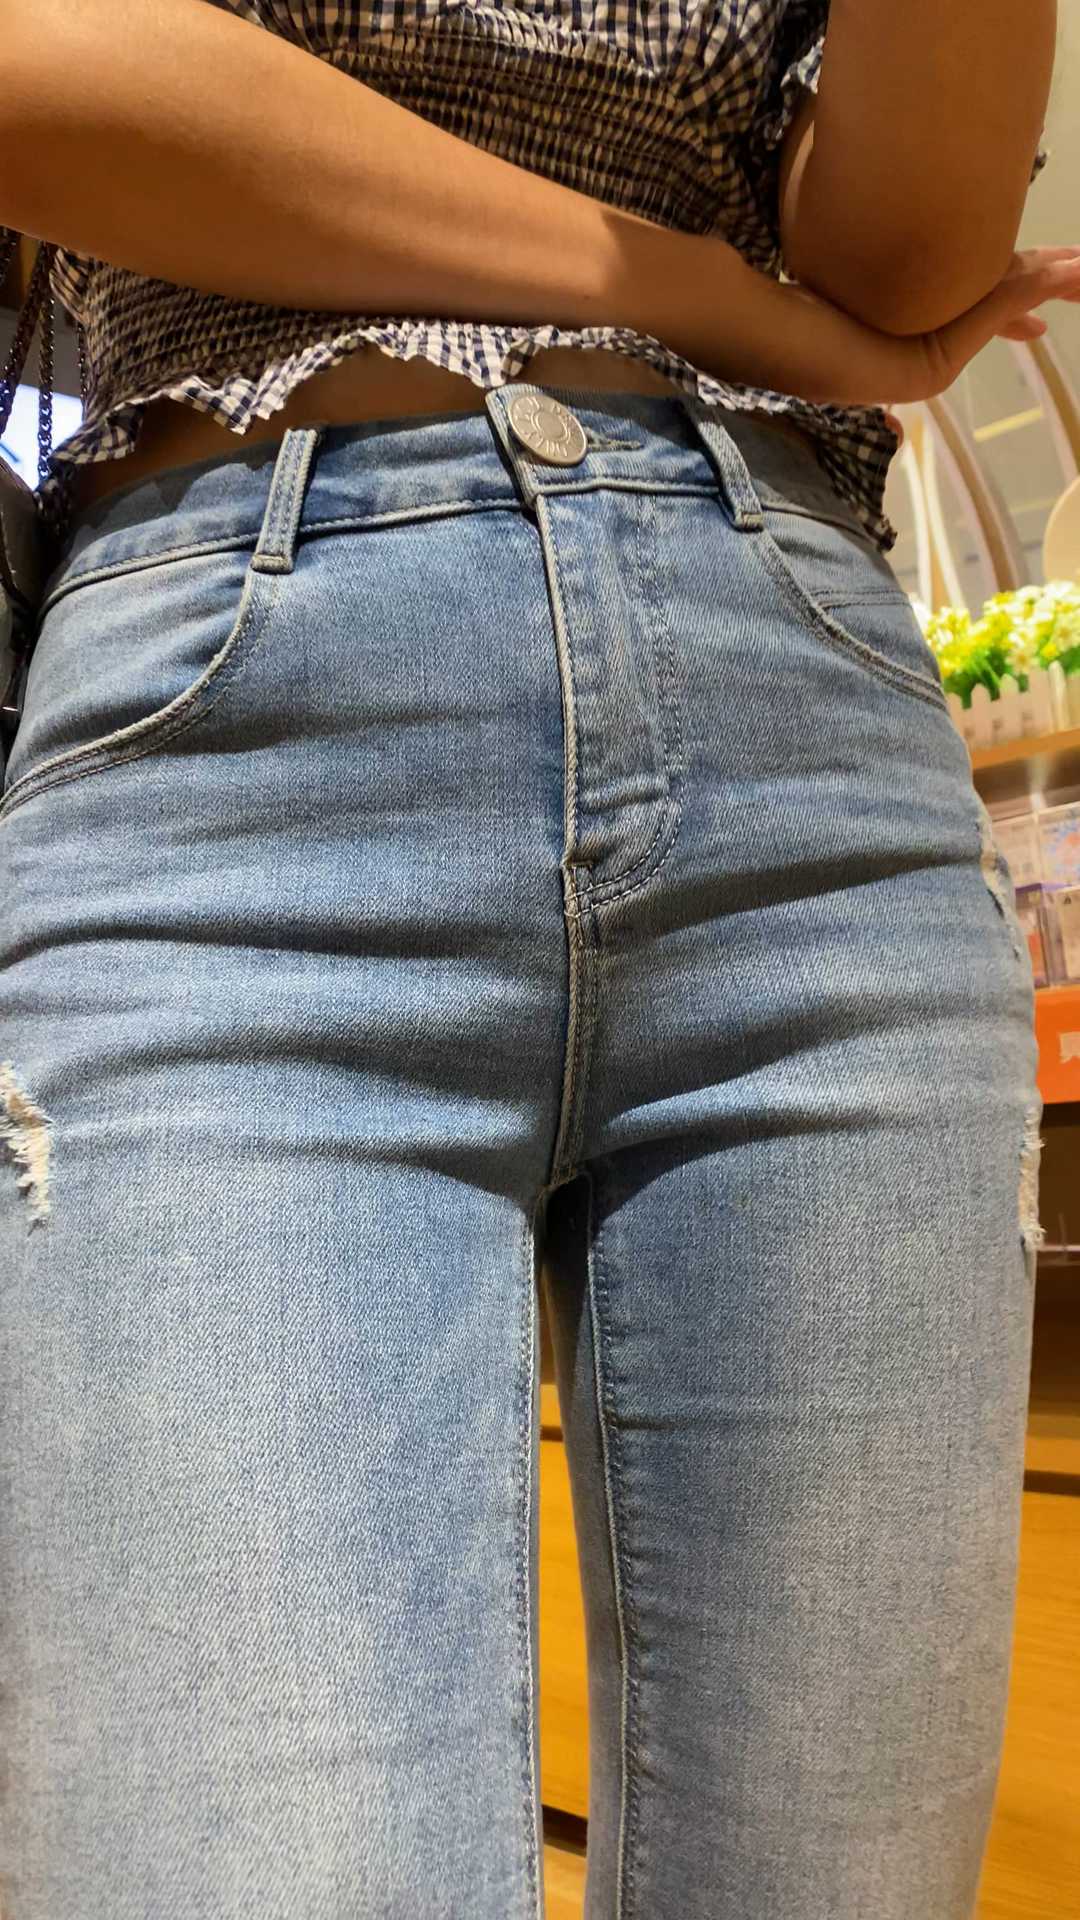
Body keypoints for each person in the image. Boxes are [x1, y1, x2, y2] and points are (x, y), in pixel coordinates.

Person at [0, 4, 1071, 1917]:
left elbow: (900, 270)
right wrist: (695, 295)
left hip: (803, 720)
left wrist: (781, 315)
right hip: (236, 752)